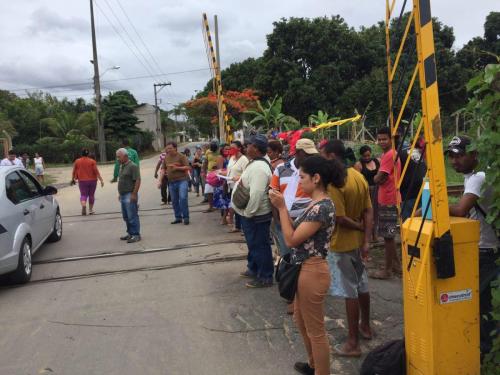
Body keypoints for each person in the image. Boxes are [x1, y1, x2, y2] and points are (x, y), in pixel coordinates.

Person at [269, 155, 345, 375]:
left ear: (316, 178)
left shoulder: (321, 207)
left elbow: (291, 239)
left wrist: (282, 207)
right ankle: (313, 365)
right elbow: (298, 233)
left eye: (302, 177)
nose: (299, 181)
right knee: (300, 319)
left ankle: (321, 371)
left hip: (312, 271)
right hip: (305, 268)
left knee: (316, 330)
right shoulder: (315, 203)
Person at [444, 135, 499, 358]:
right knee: (482, 303)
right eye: (451, 156)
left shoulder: (478, 178)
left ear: (474, 154)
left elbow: (460, 210)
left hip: (485, 251)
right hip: (487, 248)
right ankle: (485, 350)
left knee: (476, 303)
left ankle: (484, 353)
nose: (455, 161)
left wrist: (431, 209)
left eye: (460, 155)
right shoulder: (475, 176)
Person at [321, 140, 374, 357]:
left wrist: (358, 226)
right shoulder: (357, 176)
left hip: (341, 243)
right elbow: (369, 210)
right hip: (358, 242)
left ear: (332, 156)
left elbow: (340, 218)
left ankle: (352, 343)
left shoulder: (335, 184)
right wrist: (366, 238)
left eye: (323, 155)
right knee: (362, 285)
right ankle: (366, 327)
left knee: (349, 290)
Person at [232, 134, 274, 288]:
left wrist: (248, 214)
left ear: (255, 148)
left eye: (249, 145)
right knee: (254, 244)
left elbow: (256, 194)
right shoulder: (256, 163)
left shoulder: (259, 168)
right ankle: (254, 268)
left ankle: (265, 277)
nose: (246, 147)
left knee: (259, 245)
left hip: (256, 215)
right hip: (252, 214)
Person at [270, 138, 319, 257]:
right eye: (307, 155)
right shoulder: (281, 169)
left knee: (304, 255)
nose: (310, 158)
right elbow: (272, 194)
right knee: (287, 255)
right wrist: (278, 220)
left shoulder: (315, 170)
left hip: (307, 223)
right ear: (298, 153)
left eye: (312, 155)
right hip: (284, 220)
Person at [371, 127, 401, 279]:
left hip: (388, 199)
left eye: (385, 139)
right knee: (389, 234)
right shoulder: (389, 154)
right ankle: (396, 266)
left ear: (391, 139)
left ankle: (387, 270)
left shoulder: (389, 155)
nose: (382, 141)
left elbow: (379, 177)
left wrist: (376, 177)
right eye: (380, 139)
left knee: (388, 236)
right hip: (388, 197)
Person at [162, 142, 191, 225]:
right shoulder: (166, 157)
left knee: (183, 198)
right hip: (171, 182)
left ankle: (186, 217)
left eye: (170, 148)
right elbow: (163, 169)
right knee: (174, 201)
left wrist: (177, 167)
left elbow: (188, 167)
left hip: (182, 180)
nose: (168, 150)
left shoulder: (181, 156)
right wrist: (160, 181)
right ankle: (178, 217)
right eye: (167, 148)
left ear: (175, 148)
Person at [354, 145, 379, 240]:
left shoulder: (377, 161)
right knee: (367, 212)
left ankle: (375, 235)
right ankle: (366, 235)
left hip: (377, 189)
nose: (367, 158)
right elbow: (358, 179)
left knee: (377, 212)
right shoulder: (358, 165)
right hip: (366, 191)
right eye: (365, 156)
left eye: (369, 155)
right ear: (361, 155)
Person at [116, 148, 141, 243]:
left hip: (130, 194)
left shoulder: (133, 166)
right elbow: (122, 180)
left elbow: (138, 180)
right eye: (117, 157)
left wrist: (134, 194)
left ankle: (136, 234)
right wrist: (120, 193)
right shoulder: (122, 166)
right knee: (126, 216)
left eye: (119, 157)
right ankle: (130, 233)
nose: (118, 159)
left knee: (132, 215)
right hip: (123, 195)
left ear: (125, 156)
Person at [72, 149, 104, 216]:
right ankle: (90, 210)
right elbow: (96, 171)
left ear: (82, 154)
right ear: (88, 154)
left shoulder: (77, 161)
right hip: (93, 181)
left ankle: (84, 205)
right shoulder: (92, 161)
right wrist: (101, 180)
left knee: (83, 195)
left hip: (82, 181)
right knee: (91, 195)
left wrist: (73, 179)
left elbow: (74, 171)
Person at [398, 142, 426, 221]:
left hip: (408, 193)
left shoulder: (398, 153)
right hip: (423, 189)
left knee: (407, 222)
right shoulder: (416, 151)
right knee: (420, 220)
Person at [226, 141, 249, 233]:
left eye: (233, 147)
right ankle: (238, 226)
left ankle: (244, 228)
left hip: (240, 187)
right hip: (231, 185)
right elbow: (230, 170)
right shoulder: (231, 158)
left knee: (240, 206)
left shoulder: (244, 159)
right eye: (230, 147)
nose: (230, 149)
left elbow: (247, 173)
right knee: (235, 207)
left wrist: (238, 178)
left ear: (239, 148)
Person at [202, 141, 222, 212]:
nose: (212, 150)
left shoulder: (220, 151)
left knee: (219, 190)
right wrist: (203, 172)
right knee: (208, 190)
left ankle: (219, 205)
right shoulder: (208, 152)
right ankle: (211, 207)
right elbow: (205, 162)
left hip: (219, 173)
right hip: (210, 173)